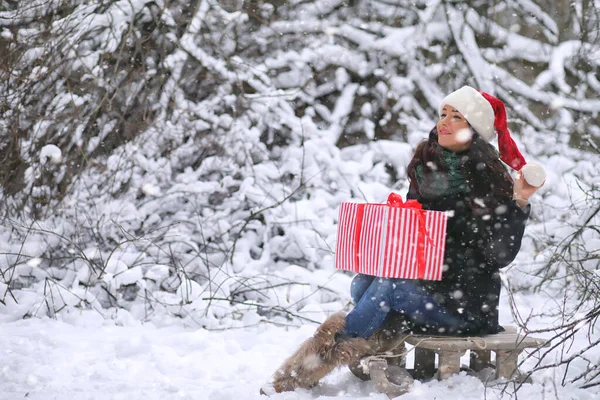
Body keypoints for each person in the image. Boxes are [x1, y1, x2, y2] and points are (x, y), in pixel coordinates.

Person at [264, 86, 545, 394]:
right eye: (443, 114)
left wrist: (517, 203)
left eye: (456, 117)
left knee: (389, 288)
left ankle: (306, 369)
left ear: (474, 130)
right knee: (362, 283)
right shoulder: (428, 167)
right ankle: (371, 344)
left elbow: (500, 254)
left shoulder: (488, 178)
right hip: (427, 286)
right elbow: (418, 240)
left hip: (464, 303)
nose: (444, 122)